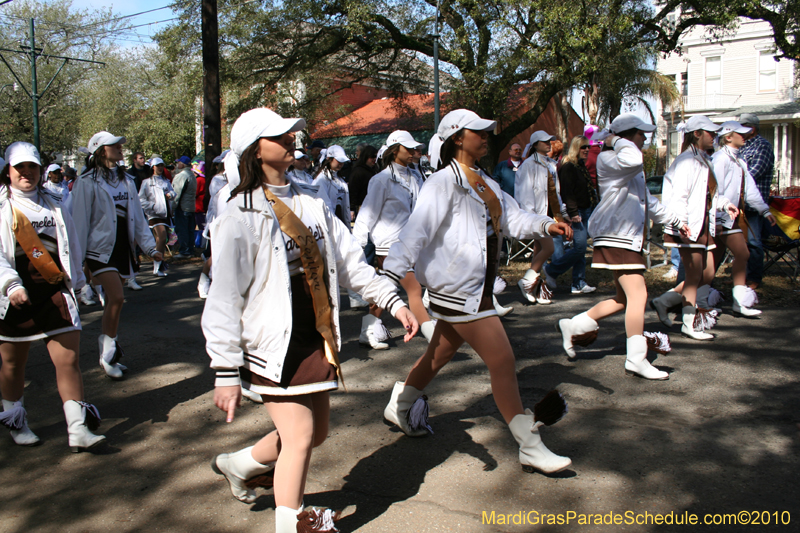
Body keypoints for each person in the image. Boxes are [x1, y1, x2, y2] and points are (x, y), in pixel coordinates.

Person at [204, 108, 418, 533]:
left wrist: (392, 302)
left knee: (314, 433)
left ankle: (239, 463)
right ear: (253, 151)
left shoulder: (311, 203)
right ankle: (292, 524)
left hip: (318, 336)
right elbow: (224, 298)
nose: (290, 139)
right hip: (272, 344)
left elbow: (353, 265)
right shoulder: (238, 215)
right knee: (300, 436)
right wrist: (225, 370)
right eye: (278, 135)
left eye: (290, 133)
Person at [381, 109, 574, 475]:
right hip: (459, 289)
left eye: (487, 132)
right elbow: (416, 230)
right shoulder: (442, 183)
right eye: (478, 132)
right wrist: (393, 276)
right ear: (457, 137)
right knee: (502, 361)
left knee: (438, 355)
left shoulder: (485, 179)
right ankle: (529, 444)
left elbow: (513, 218)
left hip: (478, 287)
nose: (486, 137)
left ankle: (402, 403)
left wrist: (547, 224)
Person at [556, 115, 688, 380]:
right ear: (628, 135)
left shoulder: (626, 162)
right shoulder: (610, 158)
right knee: (639, 295)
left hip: (625, 235)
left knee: (624, 299)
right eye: (641, 134)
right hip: (617, 233)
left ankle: (574, 324)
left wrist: (674, 221)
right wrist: (614, 139)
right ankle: (636, 359)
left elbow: (646, 200)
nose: (645, 139)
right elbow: (633, 159)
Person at [0, 142, 105, 451]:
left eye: (31, 167)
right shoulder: (2, 207)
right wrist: (10, 285)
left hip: (55, 291)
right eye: (20, 168)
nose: (26, 173)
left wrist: (78, 279)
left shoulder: (56, 202)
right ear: (8, 171)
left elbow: (70, 242)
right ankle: (16, 422)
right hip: (15, 296)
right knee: (11, 364)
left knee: (69, 360)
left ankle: (77, 429)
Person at [71, 131, 162, 379]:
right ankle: (108, 354)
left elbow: (138, 218)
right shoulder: (86, 182)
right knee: (118, 297)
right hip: (98, 250)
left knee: (114, 302)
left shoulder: (126, 180)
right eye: (115, 146)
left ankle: (109, 350)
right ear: (101, 151)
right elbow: (79, 222)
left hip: (123, 249)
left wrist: (150, 247)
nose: (121, 148)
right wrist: (77, 264)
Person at [650, 115, 738, 341]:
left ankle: (665, 301)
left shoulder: (703, 159)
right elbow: (679, 196)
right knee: (695, 274)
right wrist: (682, 223)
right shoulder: (687, 161)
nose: (714, 137)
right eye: (710, 133)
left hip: (702, 226)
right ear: (696, 134)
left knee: (706, 273)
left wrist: (726, 204)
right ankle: (689, 323)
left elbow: (710, 195)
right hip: (688, 226)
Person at [353, 131, 434, 348]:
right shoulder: (381, 180)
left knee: (387, 286)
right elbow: (368, 212)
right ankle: (432, 335)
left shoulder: (416, 176)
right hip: (388, 244)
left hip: (410, 243)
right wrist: (358, 243)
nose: (413, 152)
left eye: (414, 148)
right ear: (394, 150)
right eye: (408, 148)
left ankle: (369, 328)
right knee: (414, 289)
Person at [711, 121, 776, 316]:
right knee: (742, 254)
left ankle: (698, 299)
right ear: (728, 137)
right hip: (721, 217)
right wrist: (719, 217)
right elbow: (715, 190)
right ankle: (694, 299)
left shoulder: (739, 161)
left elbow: (749, 190)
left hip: (730, 217)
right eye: (740, 133)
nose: (745, 136)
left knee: (711, 264)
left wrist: (764, 210)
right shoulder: (720, 159)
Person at [515, 130, 568, 304]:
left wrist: (562, 212)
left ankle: (534, 288)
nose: (548, 143)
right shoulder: (528, 165)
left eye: (549, 141)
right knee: (549, 249)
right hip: (537, 217)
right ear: (535, 144)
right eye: (544, 141)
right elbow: (523, 193)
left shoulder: (551, 164)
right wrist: (530, 217)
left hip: (550, 215)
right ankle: (526, 281)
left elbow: (556, 192)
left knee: (539, 250)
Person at [545, 135, 598, 294]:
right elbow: (567, 192)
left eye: (587, 147)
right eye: (583, 147)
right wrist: (573, 213)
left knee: (580, 248)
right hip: (578, 212)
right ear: (576, 148)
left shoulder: (581, 166)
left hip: (586, 210)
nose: (587, 150)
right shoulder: (569, 167)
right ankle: (552, 270)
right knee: (581, 248)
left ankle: (578, 282)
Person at [738, 113, 775, 290]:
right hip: (739, 203)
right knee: (741, 242)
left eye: (743, 127)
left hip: (754, 204)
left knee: (754, 242)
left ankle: (755, 278)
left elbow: (752, 174)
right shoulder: (742, 147)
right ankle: (741, 276)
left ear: (752, 128)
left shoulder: (763, 146)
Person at [138, 157, 175, 278]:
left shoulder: (165, 180)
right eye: (157, 165)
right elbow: (141, 199)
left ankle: (158, 264)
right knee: (163, 235)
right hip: (154, 214)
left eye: (161, 165)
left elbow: (173, 192)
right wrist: (152, 207)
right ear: (152, 167)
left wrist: (170, 195)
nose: (159, 168)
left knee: (161, 239)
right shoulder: (146, 182)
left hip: (165, 213)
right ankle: (158, 264)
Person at [312, 145, 351, 227]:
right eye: (338, 161)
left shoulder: (340, 179)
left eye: (343, 161)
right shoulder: (321, 180)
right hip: (330, 224)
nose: (341, 164)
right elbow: (323, 207)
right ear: (329, 159)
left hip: (341, 222)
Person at [171, 156, 197, 258]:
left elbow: (176, 193)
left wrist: (173, 206)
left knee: (182, 229)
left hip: (182, 207)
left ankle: (185, 251)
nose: (177, 164)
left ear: (183, 164)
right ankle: (190, 249)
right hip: (190, 206)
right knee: (190, 229)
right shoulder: (192, 174)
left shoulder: (182, 175)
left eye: (179, 162)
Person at [348, 145, 379, 219]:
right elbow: (353, 191)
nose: (374, 159)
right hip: (362, 206)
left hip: (375, 204)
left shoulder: (375, 170)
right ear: (366, 157)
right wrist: (351, 209)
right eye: (372, 157)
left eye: (376, 157)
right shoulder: (358, 171)